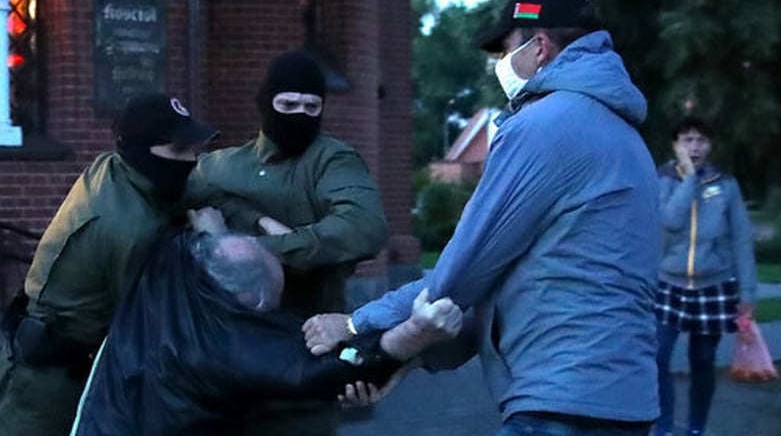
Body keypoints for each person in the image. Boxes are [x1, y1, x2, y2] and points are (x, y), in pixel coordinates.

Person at [304, 0, 660, 435]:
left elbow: (460, 275)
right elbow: (503, 284)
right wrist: (402, 360)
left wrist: (357, 324)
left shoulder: (543, 127)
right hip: (620, 400)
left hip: (560, 402)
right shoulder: (624, 136)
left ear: (541, 48)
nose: (498, 63)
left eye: (505, 49)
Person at [70, 232, 462, 436]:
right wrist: (413, 334)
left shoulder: (171, 263)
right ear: (252, 302)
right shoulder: (218, 346)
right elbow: (326, 369)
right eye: (273, 305)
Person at [184, 50, 388, 434]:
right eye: (288, 103)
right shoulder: (221, 165)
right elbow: (190, 198)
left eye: (312, 106)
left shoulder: (331, 159)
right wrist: (256, 220)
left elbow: (363, 228)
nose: (299, 115)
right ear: (266, 103)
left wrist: (256, 255)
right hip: (223, 361)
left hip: (302, 356)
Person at [0, 94, 220, 435]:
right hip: (52, 385)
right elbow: (158, 323)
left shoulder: (115, 168)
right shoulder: (130, 230)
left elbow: (195, 189)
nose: (192, 160)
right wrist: (212, 244)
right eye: (180, 151)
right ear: (142, 151)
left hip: (43, 356)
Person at [652, 117, 757, 436]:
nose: (694, 147)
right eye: (687, 140)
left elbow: (741, 239)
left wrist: (748, 294)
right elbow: (669, 220)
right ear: (675, 146)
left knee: (703, 362)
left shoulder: (725, 185)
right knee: (657, 358)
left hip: (714, 285)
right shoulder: (662, 179)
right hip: (668, 283)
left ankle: (696, 427)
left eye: (700, 140)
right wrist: (689, 178)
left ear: (710, 146)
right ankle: (665, 426)